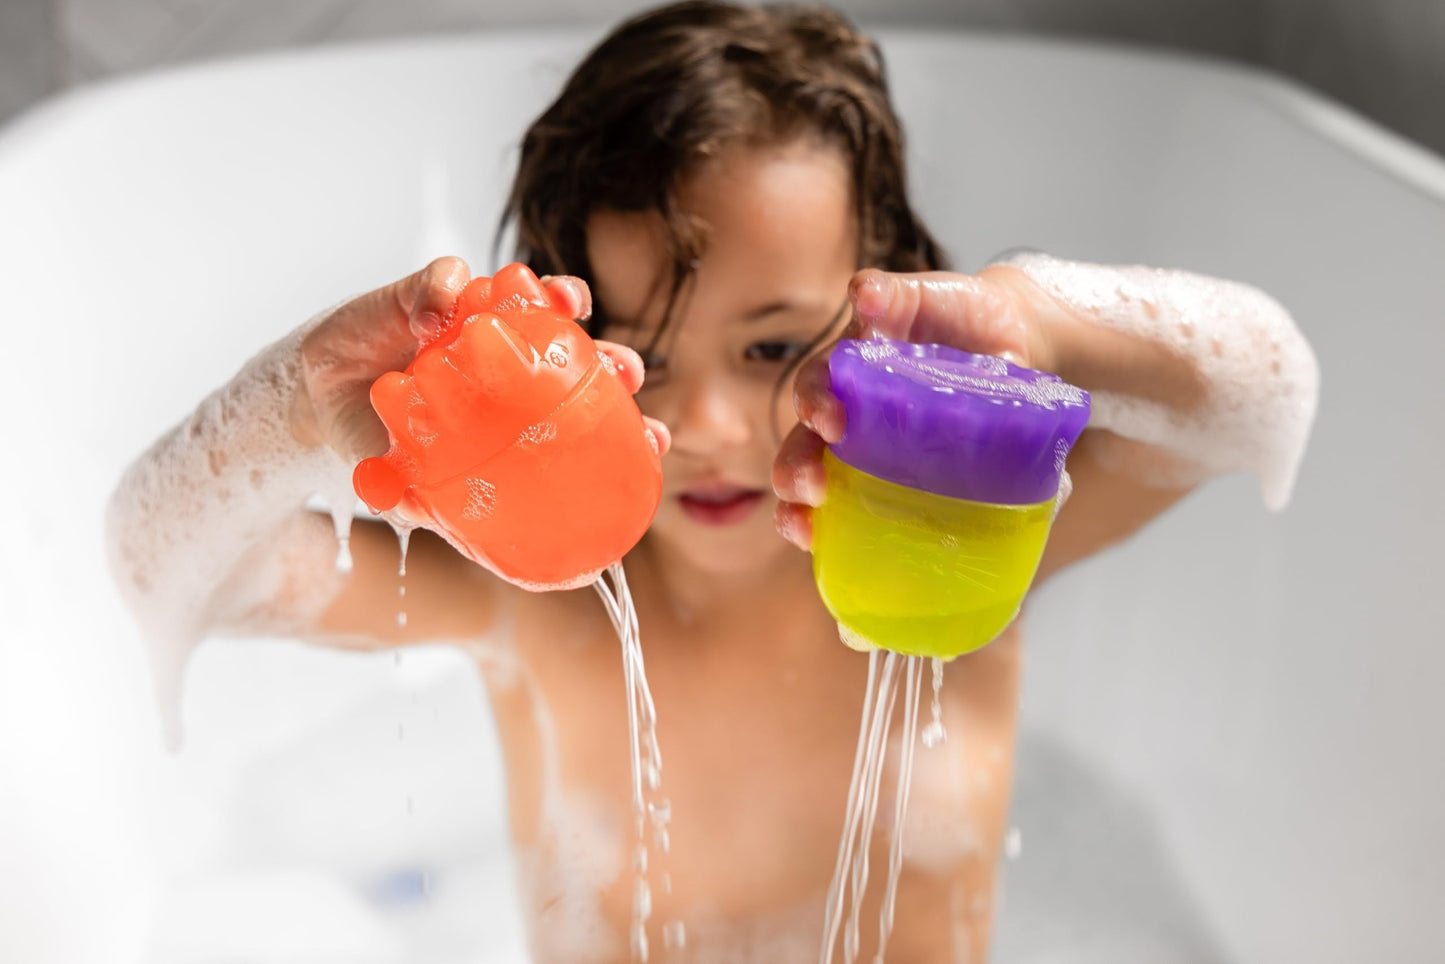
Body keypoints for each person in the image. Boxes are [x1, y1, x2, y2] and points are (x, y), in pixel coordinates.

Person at [106, 2, 1318, 961]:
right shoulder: (535, 594)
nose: (704, 424)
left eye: (775, 347)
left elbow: (1255, 397)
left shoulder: (958, 545)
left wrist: (1036, 323)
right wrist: (294, 404)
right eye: (635, 357)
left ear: (884, 318)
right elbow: (174, 567)